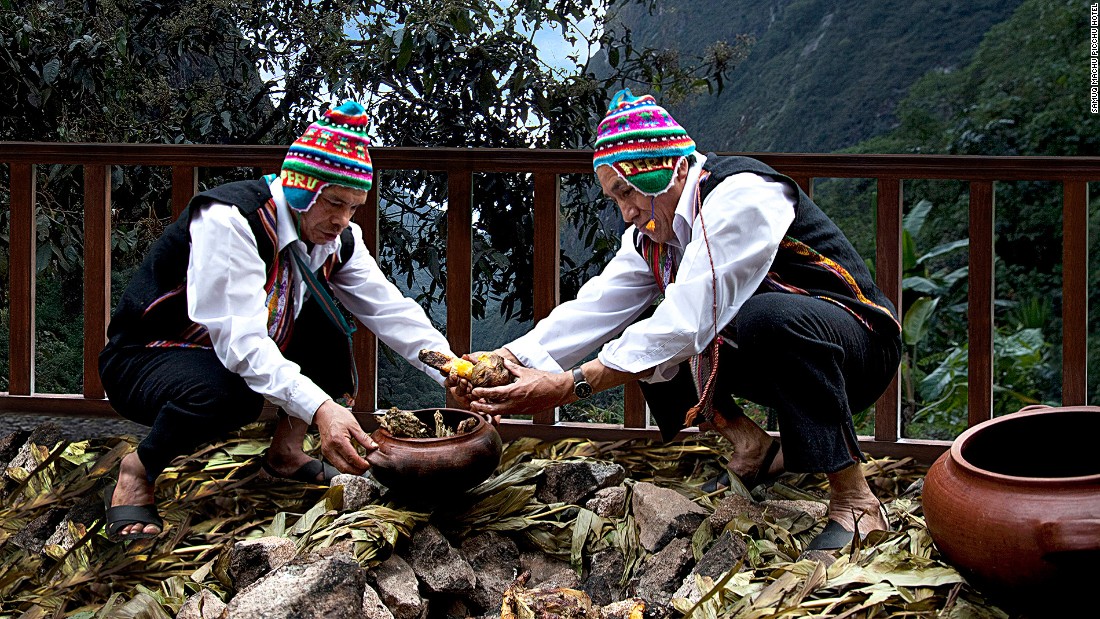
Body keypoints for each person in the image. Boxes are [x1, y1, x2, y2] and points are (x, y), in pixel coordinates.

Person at [451, 90, 902, 551]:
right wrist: (505, 359)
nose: (625, 212)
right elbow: (596, 307)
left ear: (675, 170)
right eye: (614, 198)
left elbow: (686, 321)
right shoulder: (651, 238)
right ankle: (751, 446)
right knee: (642, 331)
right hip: (780, 357)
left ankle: (856, 500)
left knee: (752, 319)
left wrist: (570, 385)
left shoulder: (741, 195)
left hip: (857, 346)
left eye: (627, 192)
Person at [99, 102, 456, 541]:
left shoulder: (337, 237)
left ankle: (285, 455)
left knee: (328, 332)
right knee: (231, 394)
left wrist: (451, 370)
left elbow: (388, 309)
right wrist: (322, 408)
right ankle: (139, 469)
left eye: (354, 207)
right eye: (334, 203)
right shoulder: (232, 220)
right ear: (302, 190)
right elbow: (241, 345)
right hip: (148, 357)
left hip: (231, 348)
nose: (343, 219)